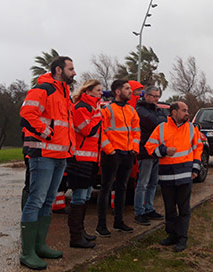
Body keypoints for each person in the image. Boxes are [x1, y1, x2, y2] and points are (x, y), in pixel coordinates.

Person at [19, 56, 76, 270]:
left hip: (60, 155)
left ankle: (40, 245)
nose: (75, 72)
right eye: (71, 68)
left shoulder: (65, 94)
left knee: (48, 201)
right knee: (36, 200)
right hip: (43, 154)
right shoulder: (43, 89)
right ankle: (27, 252)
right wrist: (46, 133)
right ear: (59, 69)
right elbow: (27, 114)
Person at [145, 101, 203, 252]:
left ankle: (182, 238)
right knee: (169, 208)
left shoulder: (192, 128)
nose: (187, 113)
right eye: (184, 110)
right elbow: (149, 147)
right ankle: (172, 235)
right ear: (174, 112)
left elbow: (198, 148)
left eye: (187, 110)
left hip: (185, 175)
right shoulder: (161, 128)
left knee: (184, 209)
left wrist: (196, 168)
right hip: (167, 176)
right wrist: (163, 151)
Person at [96, 80, 140, 237]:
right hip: (112, 154)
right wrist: (110, 151)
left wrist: (134, 150)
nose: (131, 91)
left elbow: (136, 131)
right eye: (127, 89)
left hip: (127, 154)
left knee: (122, 187)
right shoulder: (107, 110)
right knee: (106, 188)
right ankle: (101, 225)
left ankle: (118, 221)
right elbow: (101, 132)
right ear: (118, 92)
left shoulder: (131, 111)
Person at [67, 79, 104, 248]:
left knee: (86, 196)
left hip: (91, 159)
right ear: (88, 91)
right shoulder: (82, 107)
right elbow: (87, 130)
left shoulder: (93, 108)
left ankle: (81, 232)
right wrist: (98, 115)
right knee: (79, 197)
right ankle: (75, 237)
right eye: (98, 90)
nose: (101, 93)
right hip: (80, 159)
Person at [133, 86, 166, 226]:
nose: (156, 99)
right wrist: (160, 119)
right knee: (143, 183)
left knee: (153, 183)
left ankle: (149, 208)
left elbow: (164, 122)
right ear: (146, 96)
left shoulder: (156, 109)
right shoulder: (140, 110)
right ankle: (139, 211)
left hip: (156, 151)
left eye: (158, 96)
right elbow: (156, 122)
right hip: (145, 151)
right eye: (154, 96)